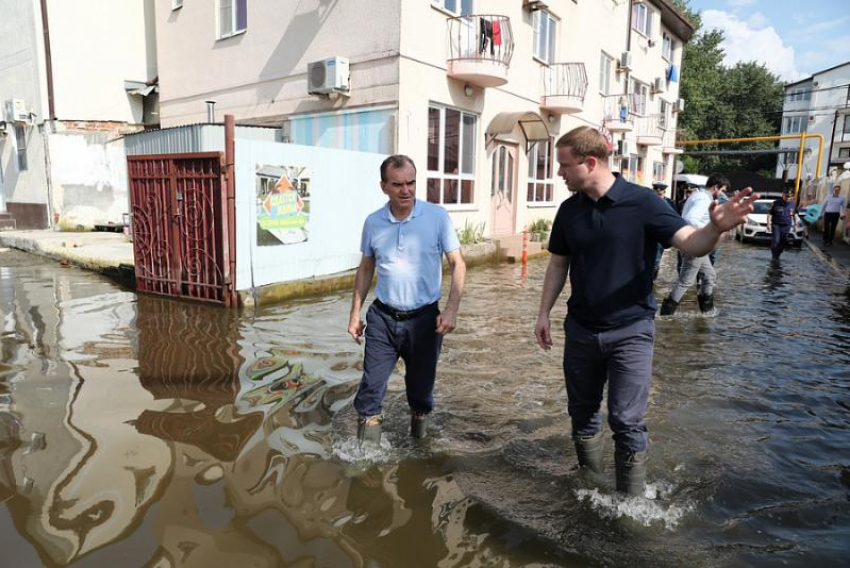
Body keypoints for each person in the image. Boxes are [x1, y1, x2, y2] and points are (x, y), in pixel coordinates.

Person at [534, 127, 756, 496]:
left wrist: (714, 229)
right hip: (582, 331)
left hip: (631, 330)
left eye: (564, 165)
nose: (559, 173)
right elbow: (559, 264)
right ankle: (588, 488)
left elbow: (692, 243)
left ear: (590, 163)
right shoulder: (569, 210)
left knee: (625, 419)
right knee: (582, 414)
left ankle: (630, 504)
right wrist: (543, 313)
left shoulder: (644, 203)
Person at [348, 155, 466, 446]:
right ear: (383, 186)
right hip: (383, 319)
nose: (406, 190)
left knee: (420, 393)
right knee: (371, 389)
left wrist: (451, 311)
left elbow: (458, 264)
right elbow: (365, 268)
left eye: (411, 183)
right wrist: (354, 315)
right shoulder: (373, 222)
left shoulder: (437, 217)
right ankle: (365, 462)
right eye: (397, 184)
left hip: (425, 321)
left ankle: (419, 446)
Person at [660, 174, 730, 316]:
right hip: (695, 242)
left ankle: (707, 311)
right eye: (722, 190)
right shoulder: (703, 199)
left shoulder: (698, 196)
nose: (722, 194)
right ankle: (666, 314)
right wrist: (710, 231)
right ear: (716, 187)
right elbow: (690, 219)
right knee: (686, 281)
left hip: (695, 242)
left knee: (709, 275)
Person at [652, 182, 677, 280]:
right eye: (656, 191)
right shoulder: (647, 202)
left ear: (664, 192)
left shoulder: (670, 203)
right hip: (648, 235)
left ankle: (651, 281)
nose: (658, 194)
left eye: (660, 192)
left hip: (660, 236)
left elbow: (674, 218)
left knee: (656, 261)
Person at [766, 189, 797, 260]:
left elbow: (795, 215)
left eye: (789, 197)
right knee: (776, 241)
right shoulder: (776, 203)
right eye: (786, 196)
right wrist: (768, 224)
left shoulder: (793, 204)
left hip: (786, 226)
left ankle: (778, 254)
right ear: (783, 195)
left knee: (783, 242)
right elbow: (769, 214)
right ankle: (774, 255)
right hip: (776, 225)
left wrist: (795, 224)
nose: (788, 198)